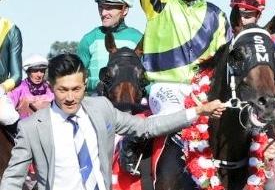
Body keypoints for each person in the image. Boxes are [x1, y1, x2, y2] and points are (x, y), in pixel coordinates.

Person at [0, 53, 226, 190]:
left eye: (77, 89)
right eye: (63, 90)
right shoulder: (32, 128)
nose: (70, 97)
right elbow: (13, 177)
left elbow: (147, 127)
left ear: (85, 83)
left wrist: (197, 111)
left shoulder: (101, 109)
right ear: (51, 87)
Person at [77, 0, 142, 95]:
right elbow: (75, 79)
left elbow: (150, 78)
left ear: (125, 10)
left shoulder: (137, 38)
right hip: (97, 105)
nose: (103, 13)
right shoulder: (89, 39)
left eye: (109, 8)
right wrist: (97, 84)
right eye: (101, 7)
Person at [0, 0, 21, 127]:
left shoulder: (11, 30)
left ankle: (22, 147)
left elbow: (17, 75)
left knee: (9, 117)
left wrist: (2, 88)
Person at [8, 54, 54, 119]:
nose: (39, 75)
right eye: (35, 71)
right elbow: (8, 109)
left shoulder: (50, 88)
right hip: (24, 126)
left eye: (42, 71)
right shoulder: (19, 88)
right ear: (28, 72)